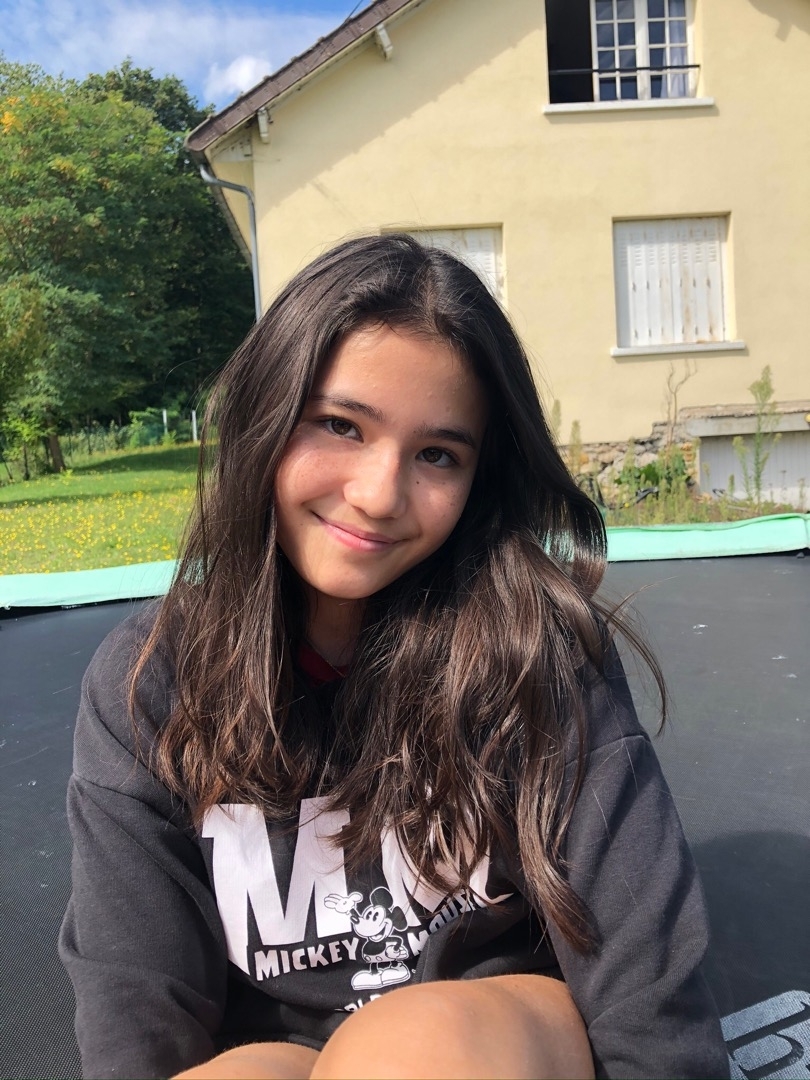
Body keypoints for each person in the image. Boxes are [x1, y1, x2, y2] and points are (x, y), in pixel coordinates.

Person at [59, 234, 729, 1080]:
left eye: (437, 455)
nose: (378, 496)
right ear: (266, 416)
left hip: (484, 1028)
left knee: (413, 1047)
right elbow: (135, 1003)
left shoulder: (535, 654)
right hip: (276, 1050)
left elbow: (643, 976)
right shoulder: (150, 680)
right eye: (340, 426)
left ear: (479, 479)